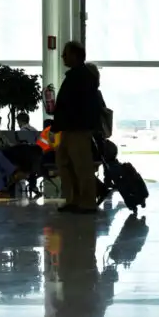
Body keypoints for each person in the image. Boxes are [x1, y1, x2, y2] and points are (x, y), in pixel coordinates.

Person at [50, 41, 106, 214]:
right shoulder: (75, 76)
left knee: (81, 166)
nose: (63, 57)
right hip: (69, 128)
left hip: (78, 129)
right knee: (65, 163)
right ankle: (73, 199)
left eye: (66, 54)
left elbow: (80, 106)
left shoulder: (82, 78)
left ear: (75, 55)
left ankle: (87, 202)